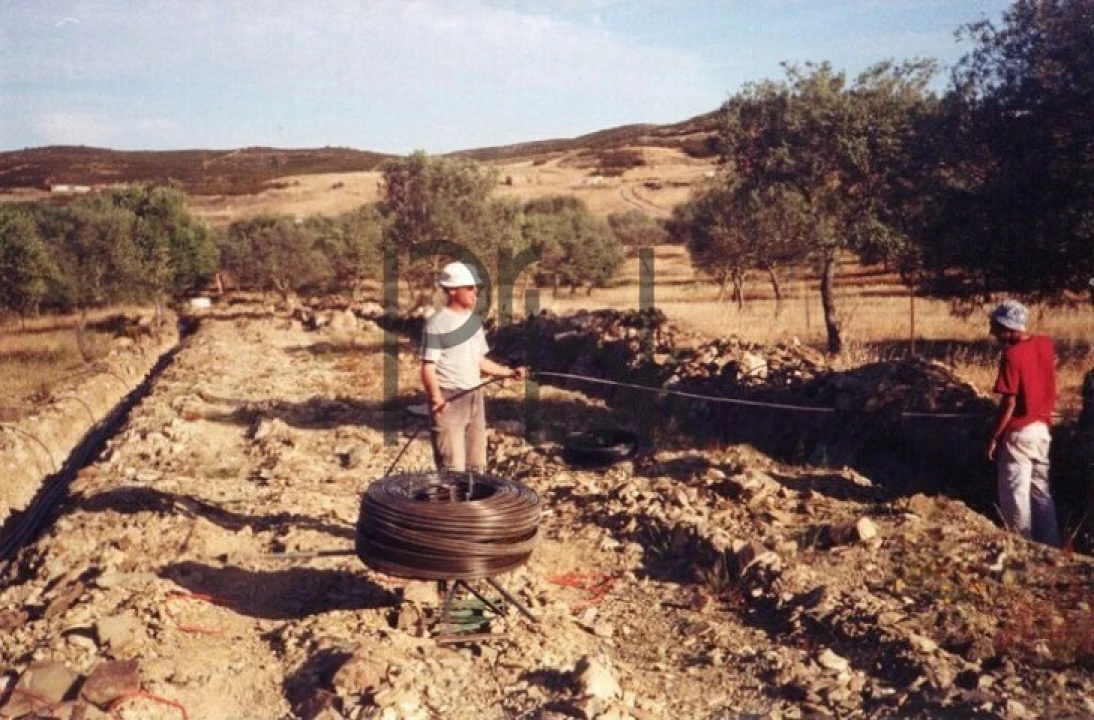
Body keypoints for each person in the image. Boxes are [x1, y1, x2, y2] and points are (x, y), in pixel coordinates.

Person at [420, 261, 525, 473]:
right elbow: (428, 367)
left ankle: (472, 495)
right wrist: (436, 399)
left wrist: (508, 372)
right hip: (449, 400)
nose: (475, 292)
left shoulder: (473, 322)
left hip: (475, 398)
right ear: (452, 290)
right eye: (469, 287)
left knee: (476, 467)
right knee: (452, 471)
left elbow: (478, 361)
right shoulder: (437, 323)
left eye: (475, 287)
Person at [986, 299, 1061, 547]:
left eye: (996, 327)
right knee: (1042, 494)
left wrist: (995, 436)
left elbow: (1009, 402)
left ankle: (1021, 547)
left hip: (1019, 433)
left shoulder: (1012, 355)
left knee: (1015, 497)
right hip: (1042, 431)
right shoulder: (1044, 344)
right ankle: (1052, 549)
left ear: (1008, 327)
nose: (992, 332)